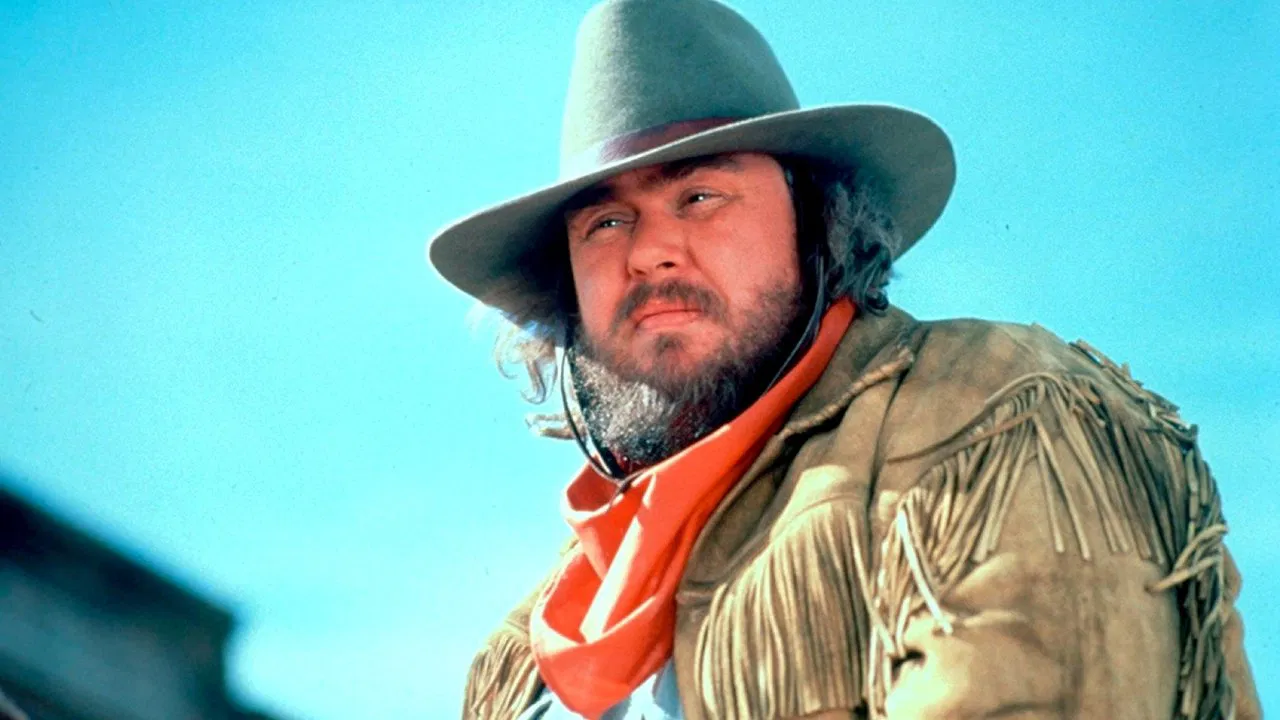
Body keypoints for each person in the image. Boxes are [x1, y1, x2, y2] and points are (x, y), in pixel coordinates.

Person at [428, 1, 1261, 718]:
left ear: (816, 220)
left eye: (700, 196)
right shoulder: (537, 641)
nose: (648, 253)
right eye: (605, 224)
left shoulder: (989, 413)